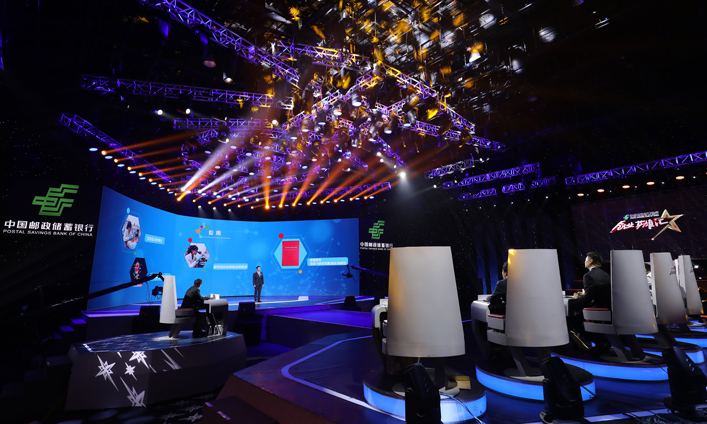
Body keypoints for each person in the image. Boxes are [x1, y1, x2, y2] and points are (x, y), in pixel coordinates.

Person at [568, 252, 611, 351]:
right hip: (608, 308)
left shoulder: (588, 275)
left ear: (591, 261)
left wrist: (577, 297)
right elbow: (599, 291)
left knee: (571, 320)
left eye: (586, 260)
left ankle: (600, 341)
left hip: (597, 310)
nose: (585, 262)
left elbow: (587, 299)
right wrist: (584, 294)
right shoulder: (606, 274)